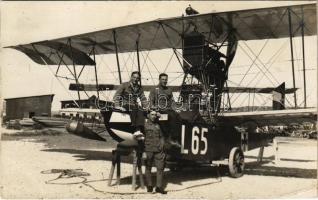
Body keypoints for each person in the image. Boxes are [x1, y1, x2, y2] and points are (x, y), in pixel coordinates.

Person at [113, 71, 148, 139]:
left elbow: (143, 98)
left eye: (137, 78)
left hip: (134, 105)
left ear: (139, 79)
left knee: (140, 108)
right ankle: (136, 129)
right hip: (125, 104)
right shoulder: (124, 85)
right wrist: (118, 106)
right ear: (131, 77)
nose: (135, 79)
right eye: (134, 77)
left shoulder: (139, 88)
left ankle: (140, 130)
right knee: (134, 107)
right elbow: (116, 96)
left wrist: (146, 107)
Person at [149, 73, 180, 146]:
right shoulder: (154, 90)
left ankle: (176, 138)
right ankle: (171, 138)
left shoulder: (169, 90)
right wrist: (154, 110)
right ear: (159, 80)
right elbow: (151, 102)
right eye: (163, 79)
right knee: (170, 116)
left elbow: (172, 102)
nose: (164, 81)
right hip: (159, 109)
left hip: (168, 109)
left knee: (178, 116)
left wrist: (176, 109)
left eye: (166, 79)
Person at [144, 110, 167, 194]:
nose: (154, 116)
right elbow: (140, 138)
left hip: (158, 150)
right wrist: (143, 151)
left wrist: (162, 145)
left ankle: (159, 187)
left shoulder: (158, 125)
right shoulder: (145, 125)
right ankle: (149, 186)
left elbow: (162, 136)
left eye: (155, 115)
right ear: (148, 116)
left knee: (160, 168)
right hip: (148, 149)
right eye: (152, 114)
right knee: (148, 167)